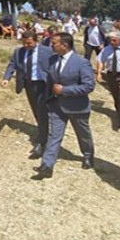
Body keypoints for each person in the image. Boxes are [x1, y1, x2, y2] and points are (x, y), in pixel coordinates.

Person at [32, 33, 96, 180]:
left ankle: (88, 155)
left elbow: (89, 86)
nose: (51, 46)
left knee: (83, 134)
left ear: (64, 45)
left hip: (77, 107)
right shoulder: (53, 60)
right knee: (54, 135)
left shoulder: (81, 62)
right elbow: (49, 80)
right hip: (56, 105)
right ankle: (47, 166)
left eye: (54, 43)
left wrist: (65, 90)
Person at [1, 31, 52, 159]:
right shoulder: (19, 52)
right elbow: (12, 64)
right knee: (36, 110)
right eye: (24, 43)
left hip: (44, 85)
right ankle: (43, 131)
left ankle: (42, 140)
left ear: (36, 40)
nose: (26, 46)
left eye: (29, 43)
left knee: (41, 111)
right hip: (29, 85)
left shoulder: (47, 51)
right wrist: (7, 77)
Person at [96, 31, 120, 129]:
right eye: (110, 40)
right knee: (116, 95)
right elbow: (100, 61)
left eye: (114, 40)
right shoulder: (106, 50)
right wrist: (99, 73)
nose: (112, 42)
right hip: (111, 75)